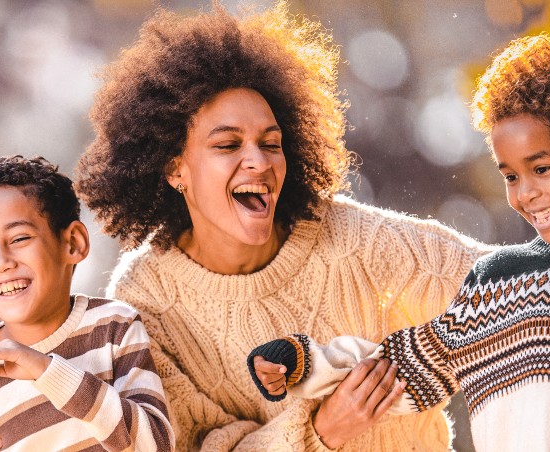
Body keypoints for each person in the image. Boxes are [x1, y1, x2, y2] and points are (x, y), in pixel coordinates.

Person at [75, 3, 492, 451]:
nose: (259, 160)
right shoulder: (146, 303)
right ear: (175, 168)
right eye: (229, 144)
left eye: (271, 143)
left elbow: (503, 285)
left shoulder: (346, 237)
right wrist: (322, 430)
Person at [247, 32, 550, 450]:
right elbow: (397, 368)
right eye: (510, 176)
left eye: (541, 169)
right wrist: (303, 361)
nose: (525, 194)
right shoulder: (495, 284)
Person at [0, 155, 173, 451]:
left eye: (20, 238)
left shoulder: (114, 327)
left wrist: (46, 371)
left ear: (73, 243)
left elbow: (156, 444)